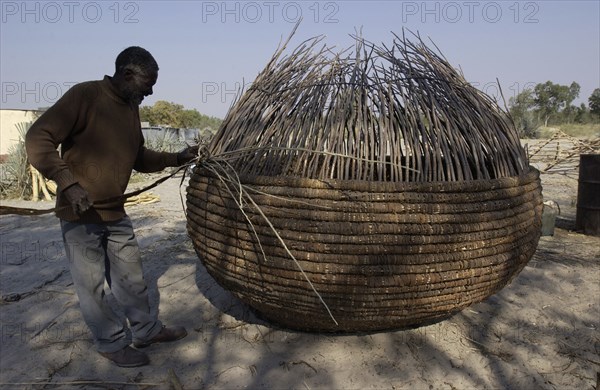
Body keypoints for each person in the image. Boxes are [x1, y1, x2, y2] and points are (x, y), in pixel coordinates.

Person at [25, 46, 197, 367]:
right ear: (128, 74)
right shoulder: (85, 95)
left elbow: (140, 157)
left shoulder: (131, 107)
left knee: (131, 277)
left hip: (115, 212)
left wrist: (177, 157)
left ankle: (146, 330)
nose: (151, 90)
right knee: (91, 285)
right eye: (148, 82)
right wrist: (69, 183)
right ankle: (110, 342)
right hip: (80, 214)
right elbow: (37, 138)